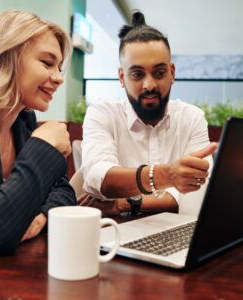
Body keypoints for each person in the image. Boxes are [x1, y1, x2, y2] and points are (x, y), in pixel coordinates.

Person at [79, 11, 217, 216]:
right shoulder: (102, 113)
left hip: (176, 231)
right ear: (121, 76)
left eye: (159, 73)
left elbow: (197, 193)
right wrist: (168, 176)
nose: (149, 85)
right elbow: (100, 179)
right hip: (117, 233)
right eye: (137, 74)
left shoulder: (192, 118)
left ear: (172, 73)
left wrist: (127, 203)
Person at [0, 10, 76, 261]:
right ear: (6, 57)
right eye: (47, 63)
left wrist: (39, 219)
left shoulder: (24, 121)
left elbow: (63, 192)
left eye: (59, 67)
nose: (58, 78)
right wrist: (42, 146)